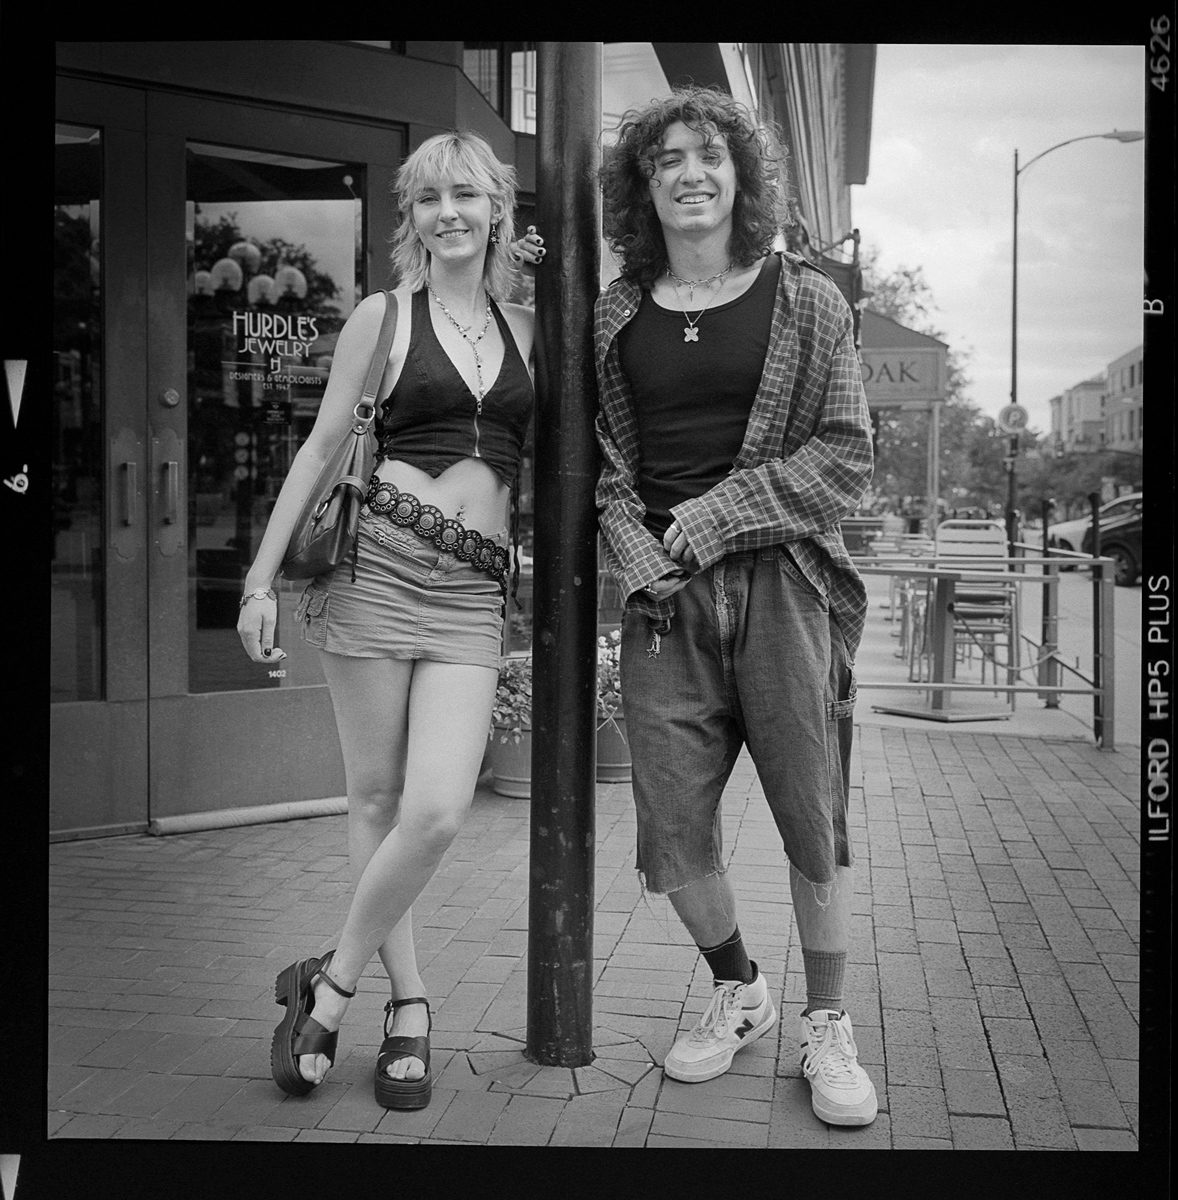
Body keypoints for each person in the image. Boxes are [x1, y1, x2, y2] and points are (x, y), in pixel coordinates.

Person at [237, 130, 543, 1110]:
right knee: (373, 800)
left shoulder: (531, 329)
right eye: (425, 199)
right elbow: (322, 446)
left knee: (439, 808)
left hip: (470, 593)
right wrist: (257, 577)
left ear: (497, 207)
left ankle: (326, 988)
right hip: (374, 572)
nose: (446, 211)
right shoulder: (384, 316)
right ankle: (408, 1003)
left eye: (465, 194)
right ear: (408, 218)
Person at [593, 86, 878, 1126]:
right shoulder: (615, 311)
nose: (687, 173)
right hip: (664, 605)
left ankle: (828, 1026)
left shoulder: (804, 299)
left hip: (784, 588)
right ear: (644, 185)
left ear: (739, 175)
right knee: (669, 830)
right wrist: (636, 547)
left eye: (707, 155)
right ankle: (739, 988)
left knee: (809, 817)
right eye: (665, 159)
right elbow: (607, 466)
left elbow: (845, 458)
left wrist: (711, 520)